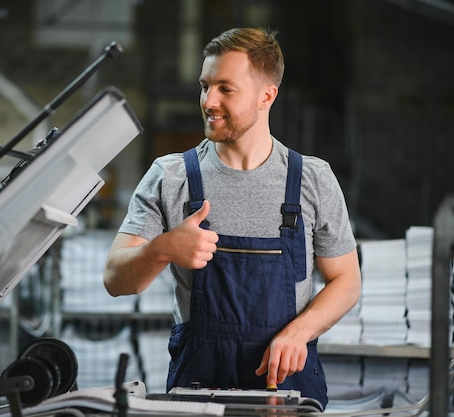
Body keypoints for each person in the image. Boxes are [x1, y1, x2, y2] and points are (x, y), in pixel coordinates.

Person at [103, 27, 361, 409]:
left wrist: (298, 333)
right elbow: (114, 279)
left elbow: (347, 279)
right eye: (205, 86)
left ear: (266, 96)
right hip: (197, 387)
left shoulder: (311, 179)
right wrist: (161, 249)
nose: (209, 101)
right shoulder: (170, 176)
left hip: (286, 387)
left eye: (226, 88)